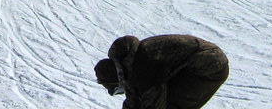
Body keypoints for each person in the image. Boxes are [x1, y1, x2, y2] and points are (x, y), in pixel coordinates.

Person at [94, 34, 229, 109]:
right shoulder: (131, 62)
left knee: (171, 105)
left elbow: (154, 102)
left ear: (119, 76)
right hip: (202, 62)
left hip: (208, 65)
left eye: (117, 88)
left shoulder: (143, 64)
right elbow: (134, 97)